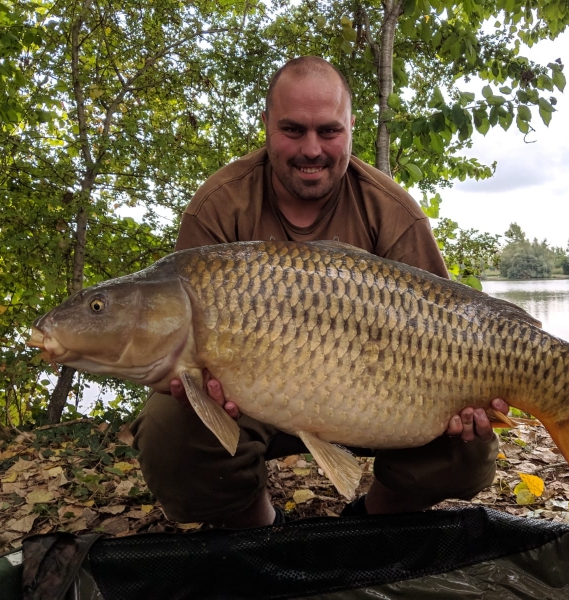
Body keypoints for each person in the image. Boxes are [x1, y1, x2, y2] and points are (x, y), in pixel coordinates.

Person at [130, 56, 509, 528]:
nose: (312, 149)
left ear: (351, 126)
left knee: (467, 447)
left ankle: (373, 520)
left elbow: (449, 325)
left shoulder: (392, 213)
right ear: (266, 124)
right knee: (170, 429)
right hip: (250, 398)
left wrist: (471, 395)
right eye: (292, 130)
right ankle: (262, 530)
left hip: (380, 398)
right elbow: (175, 347)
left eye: (328, 131)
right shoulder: (219, 205)